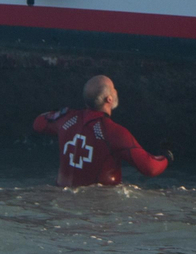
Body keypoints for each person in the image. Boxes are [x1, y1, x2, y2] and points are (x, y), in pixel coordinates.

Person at [31, 74, 172, 187]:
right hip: (98, 204)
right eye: (114, 88)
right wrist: (166, 157)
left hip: (61, 195)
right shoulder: (114, 133)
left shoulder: (66, 120)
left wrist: (59, 115)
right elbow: (150, 168)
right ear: (109, 99)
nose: (116, 91)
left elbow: (38, 124)